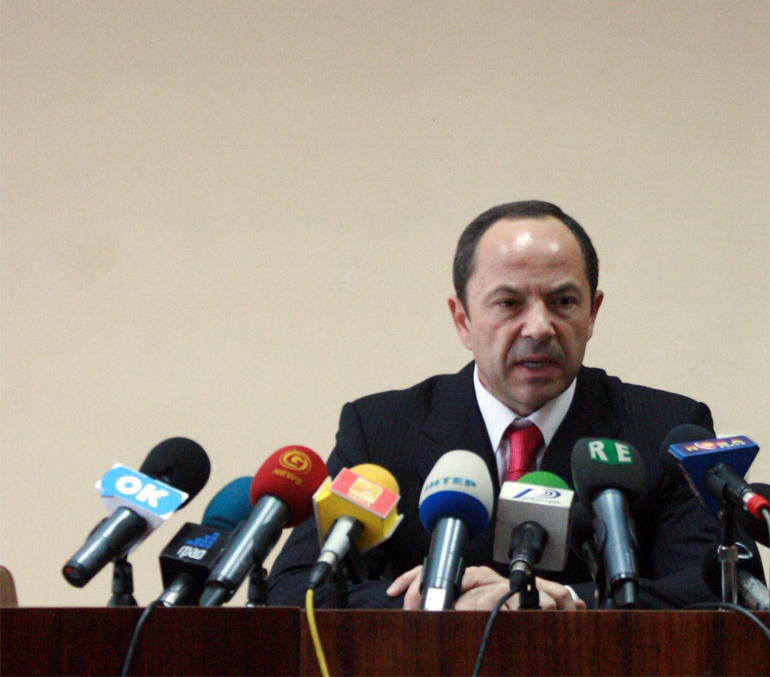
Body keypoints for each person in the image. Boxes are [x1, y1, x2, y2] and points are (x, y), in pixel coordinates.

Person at [267, 200, 740, 610]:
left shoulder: (666, 429)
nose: (539, 327)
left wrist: (562, 602)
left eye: (563, 302)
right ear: (462, 320)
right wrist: (442, 602)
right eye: (509, 303)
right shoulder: (381, 431)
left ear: (592, 313)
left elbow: (719, 585)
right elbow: (295, 588)